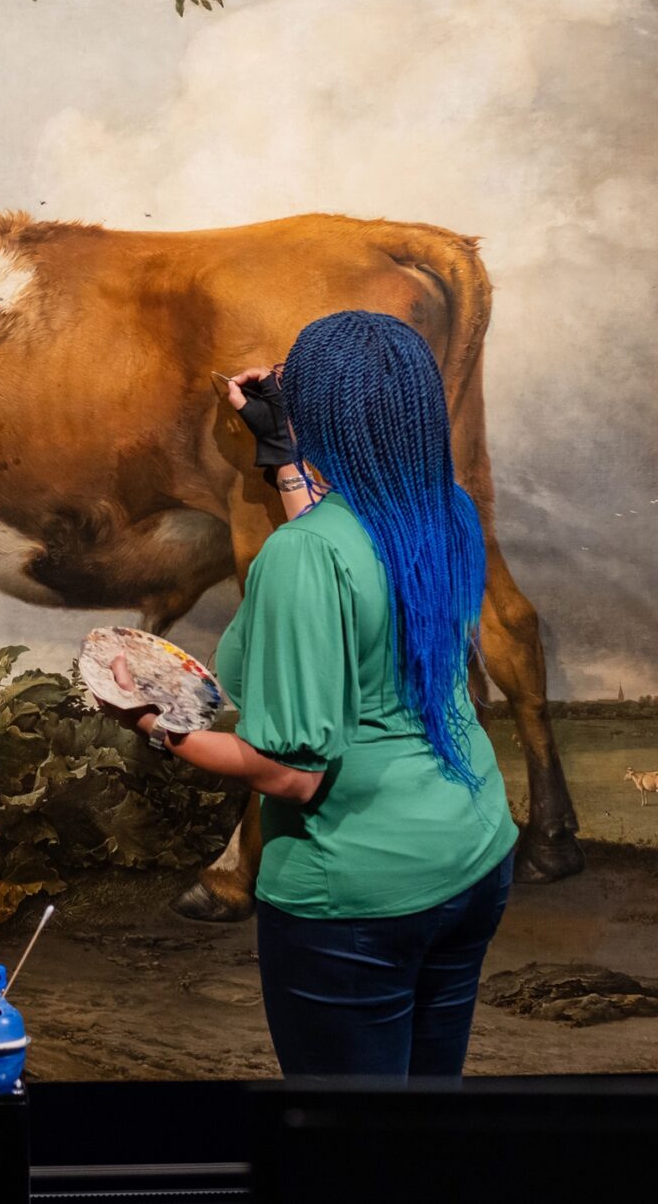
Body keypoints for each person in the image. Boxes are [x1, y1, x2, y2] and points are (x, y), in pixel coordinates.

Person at [102, 309, 517, 1077]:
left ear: (321, 413)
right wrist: (285, 454)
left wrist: (156, 724)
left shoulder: (305, 556)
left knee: (348, 1148)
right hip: (472, 854)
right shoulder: (446, 513)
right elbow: (346, 553)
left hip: (358, 893)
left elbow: (292, 772)